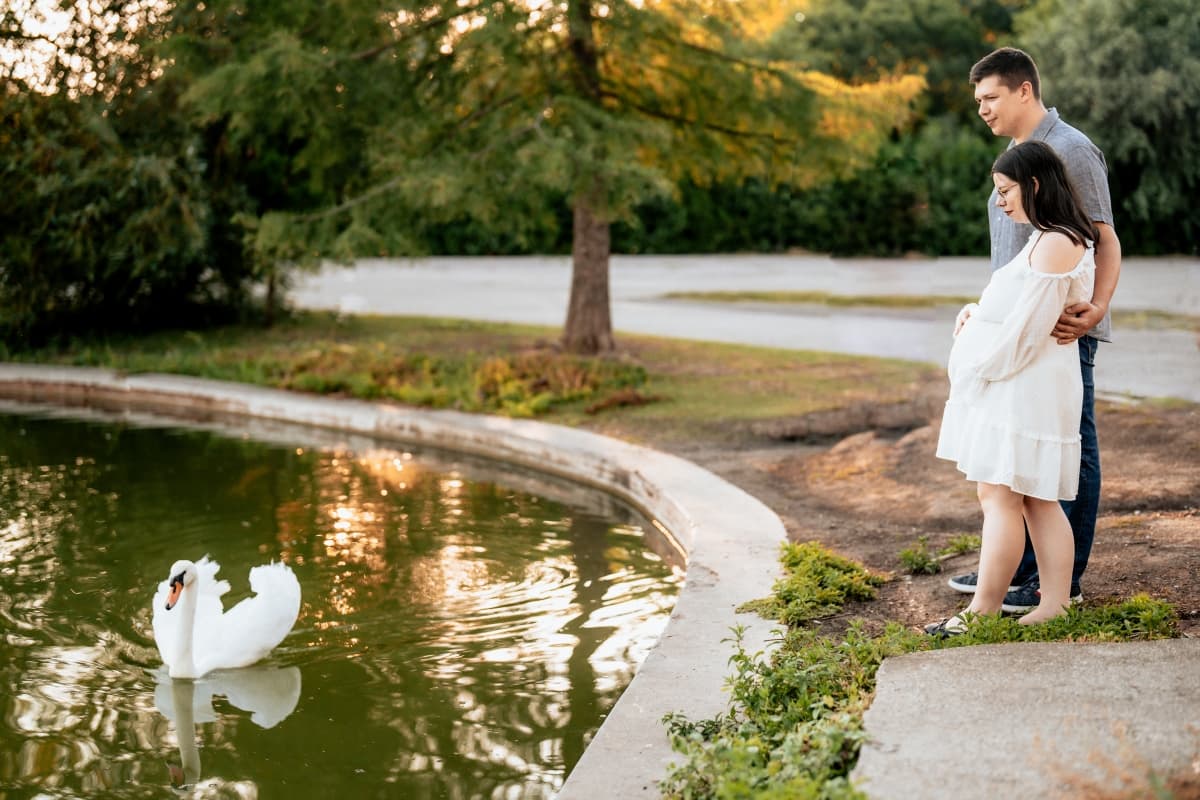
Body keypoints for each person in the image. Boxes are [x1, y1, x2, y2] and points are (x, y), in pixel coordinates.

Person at [947, 47, 1122, 614]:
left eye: (990, 98)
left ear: (1024, 90)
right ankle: (1019, 567)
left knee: (1065, 455)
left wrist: (1096, 308)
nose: (983, 109)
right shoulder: (1015, 155)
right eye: (978, 101)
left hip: (1059, 332)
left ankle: (1059, 581)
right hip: (1018, 327)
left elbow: (1104, 237)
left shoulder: (1070, 149)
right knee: (1014, 461)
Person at [927, 140, 1099, 635]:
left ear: (1035, 185)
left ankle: (983, 611)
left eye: (1005, 190)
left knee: (1004, 496)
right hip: (1022, 384)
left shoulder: (1056, 242)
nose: (1000, 201)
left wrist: (977, 367)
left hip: (1026, 387)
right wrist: (976, 316)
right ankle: (1052, 604)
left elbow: (1027, 332)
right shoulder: (1043, 237)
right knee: (1024, 497)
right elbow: (1015, 309)